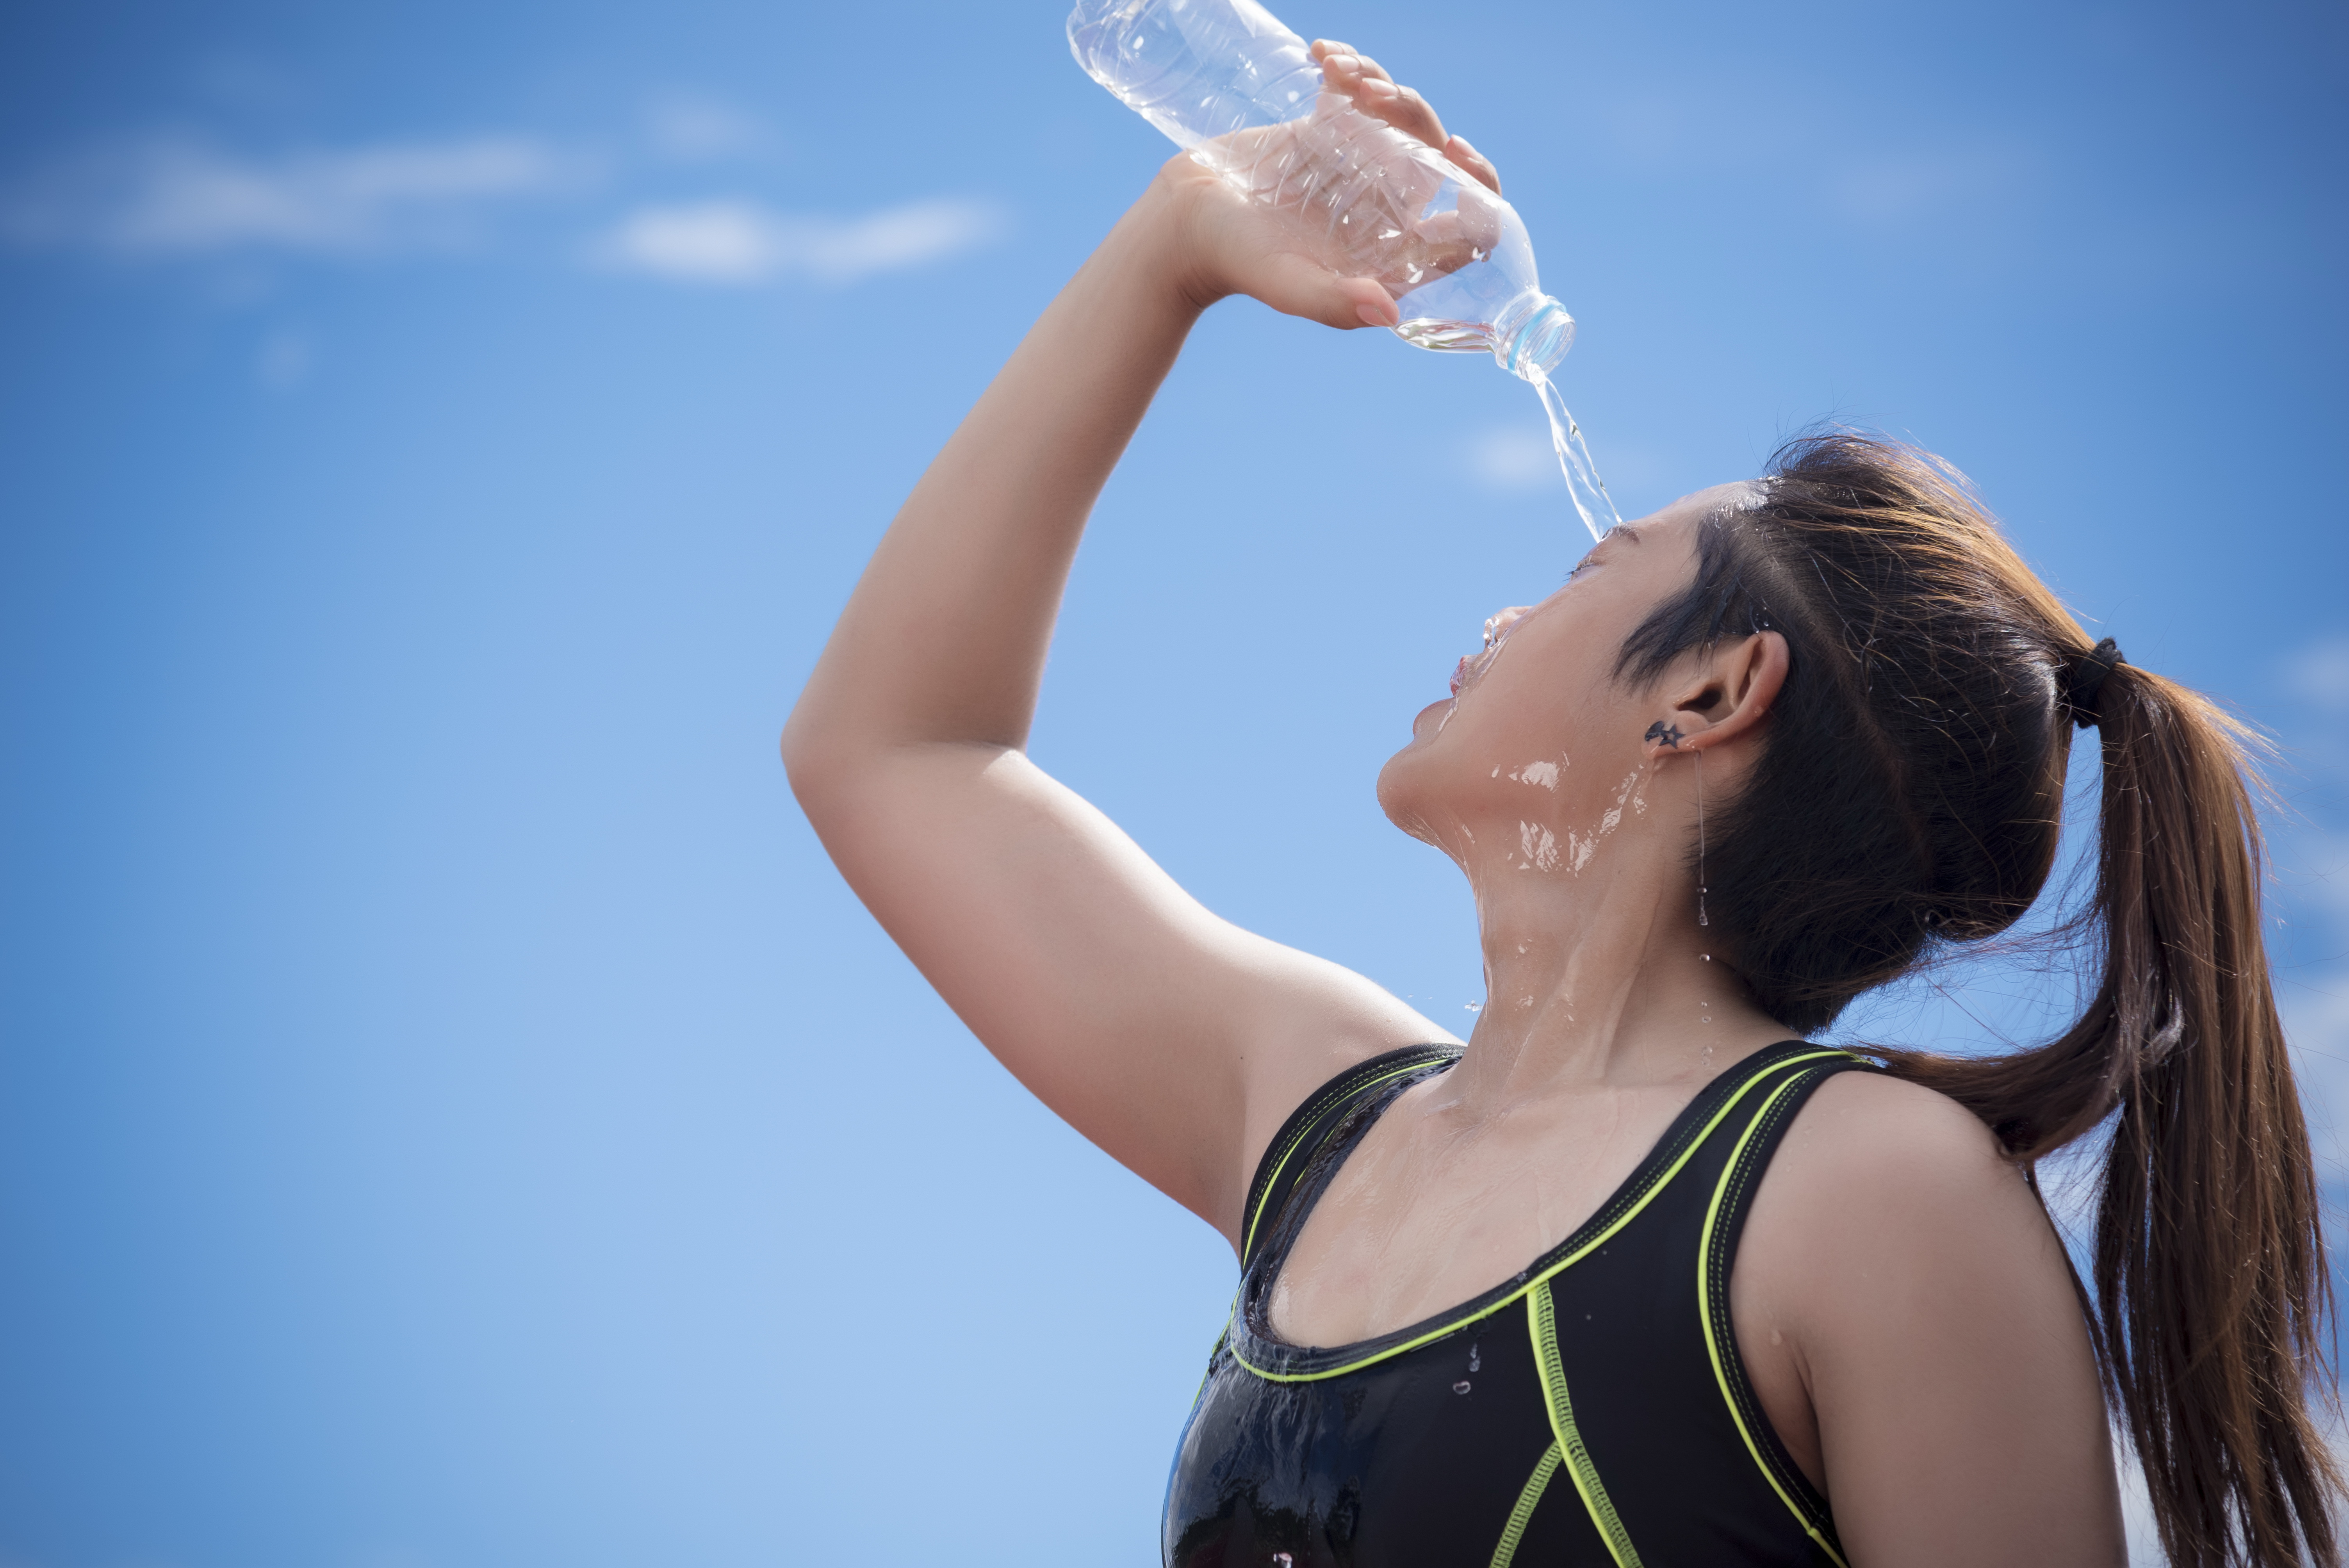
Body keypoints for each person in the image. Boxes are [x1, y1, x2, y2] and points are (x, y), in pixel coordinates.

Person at [781, 38, 2337, 1568]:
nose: (1495, 620)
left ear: (1712, 694)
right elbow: (891, 747)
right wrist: (1173, 243)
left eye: (1585, 571)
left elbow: (902, 751)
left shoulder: (1867, 1189)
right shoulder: (1320, 1116)